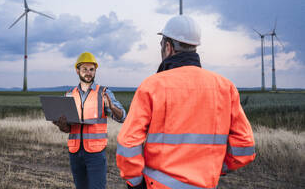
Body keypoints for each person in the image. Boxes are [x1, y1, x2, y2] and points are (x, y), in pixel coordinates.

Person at [116, 15, 256, 189]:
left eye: (161, 45)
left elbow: (128, 143)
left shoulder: (152, 86)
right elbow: (245, 147)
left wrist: (135, 183)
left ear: (168, 47)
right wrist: (213, 168)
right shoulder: (225, 87)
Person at [54, 52, 126, 189]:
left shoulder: (103, 93)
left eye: (91, 69)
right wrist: (61, 125)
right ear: (77, 71)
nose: (88, 73)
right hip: (75, 152)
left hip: (95, 153)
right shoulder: (69, 94)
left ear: (95, 71)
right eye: (85, 69)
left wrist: (111, 107)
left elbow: (123, 117)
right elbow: (68, 129)